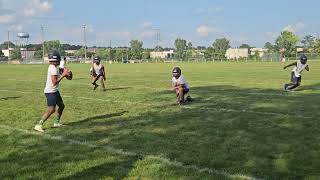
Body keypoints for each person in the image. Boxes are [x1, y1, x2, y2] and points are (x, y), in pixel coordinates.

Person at [34, 51, 69, 132]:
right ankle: (39, 125)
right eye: (59, 59)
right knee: (51, 109)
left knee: (61, 106)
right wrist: (63, 75)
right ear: (56, 59)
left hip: (54, 91)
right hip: (50, 92)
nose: (60, 61)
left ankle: (56, 123)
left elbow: (57, 78)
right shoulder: (53, 68)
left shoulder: (53, 67)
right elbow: (54, 82)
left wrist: (67, 74)